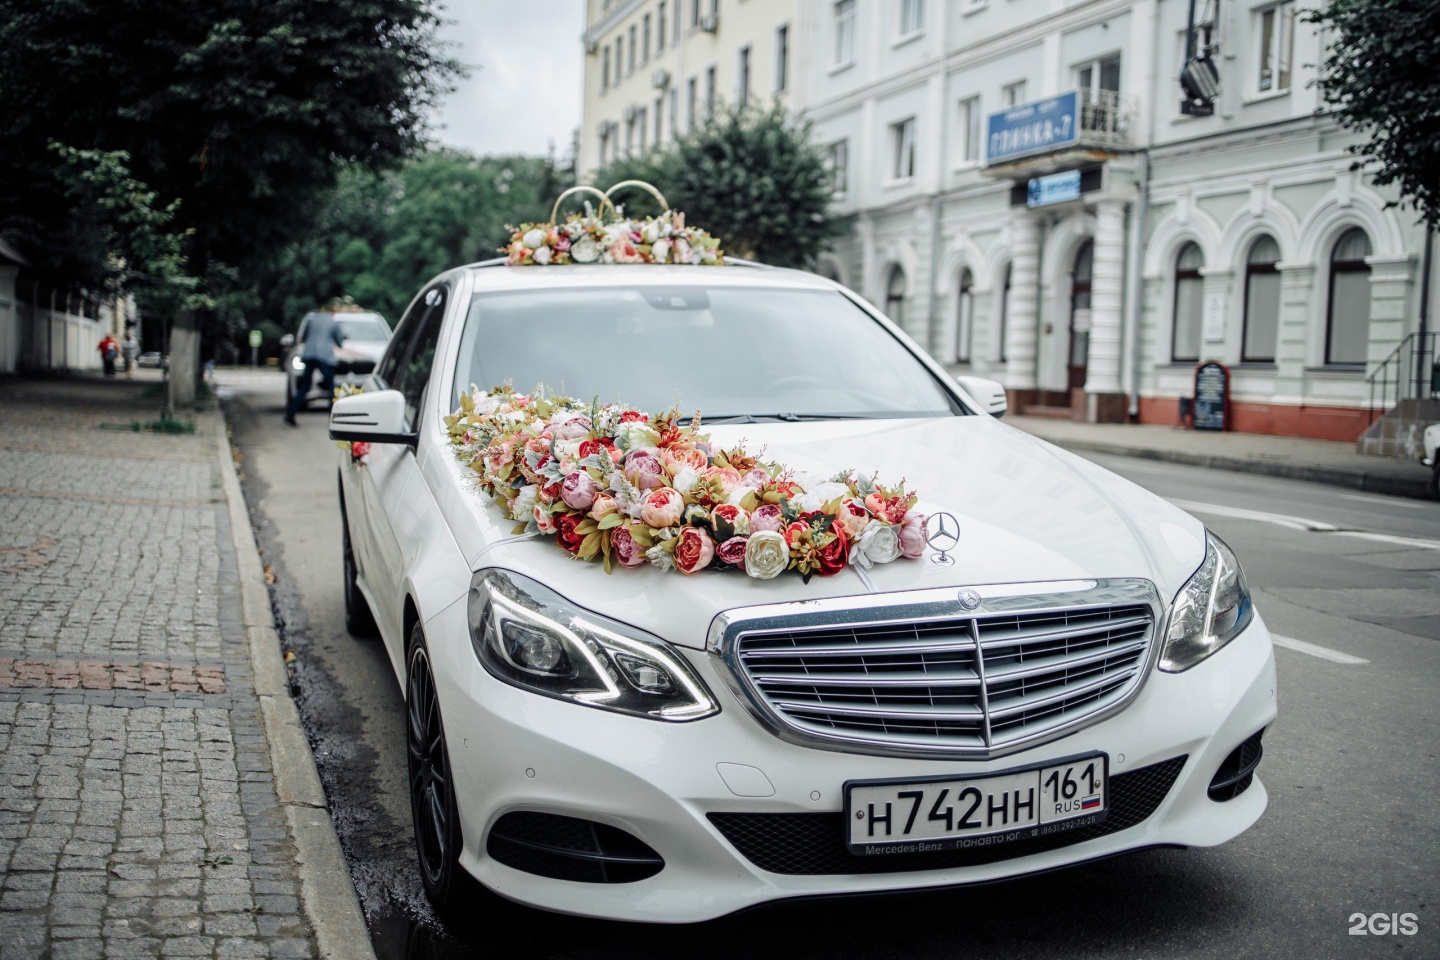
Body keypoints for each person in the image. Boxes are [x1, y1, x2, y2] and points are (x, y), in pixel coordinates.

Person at [283, 311, 345, 426]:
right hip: (325, 357)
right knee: (331, 387)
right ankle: (333, 419)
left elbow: (304, 338)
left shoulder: (311, 320)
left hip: (309, 355)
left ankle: (290, 414)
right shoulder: (333, 323)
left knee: (305, 386)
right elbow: (339, 343)